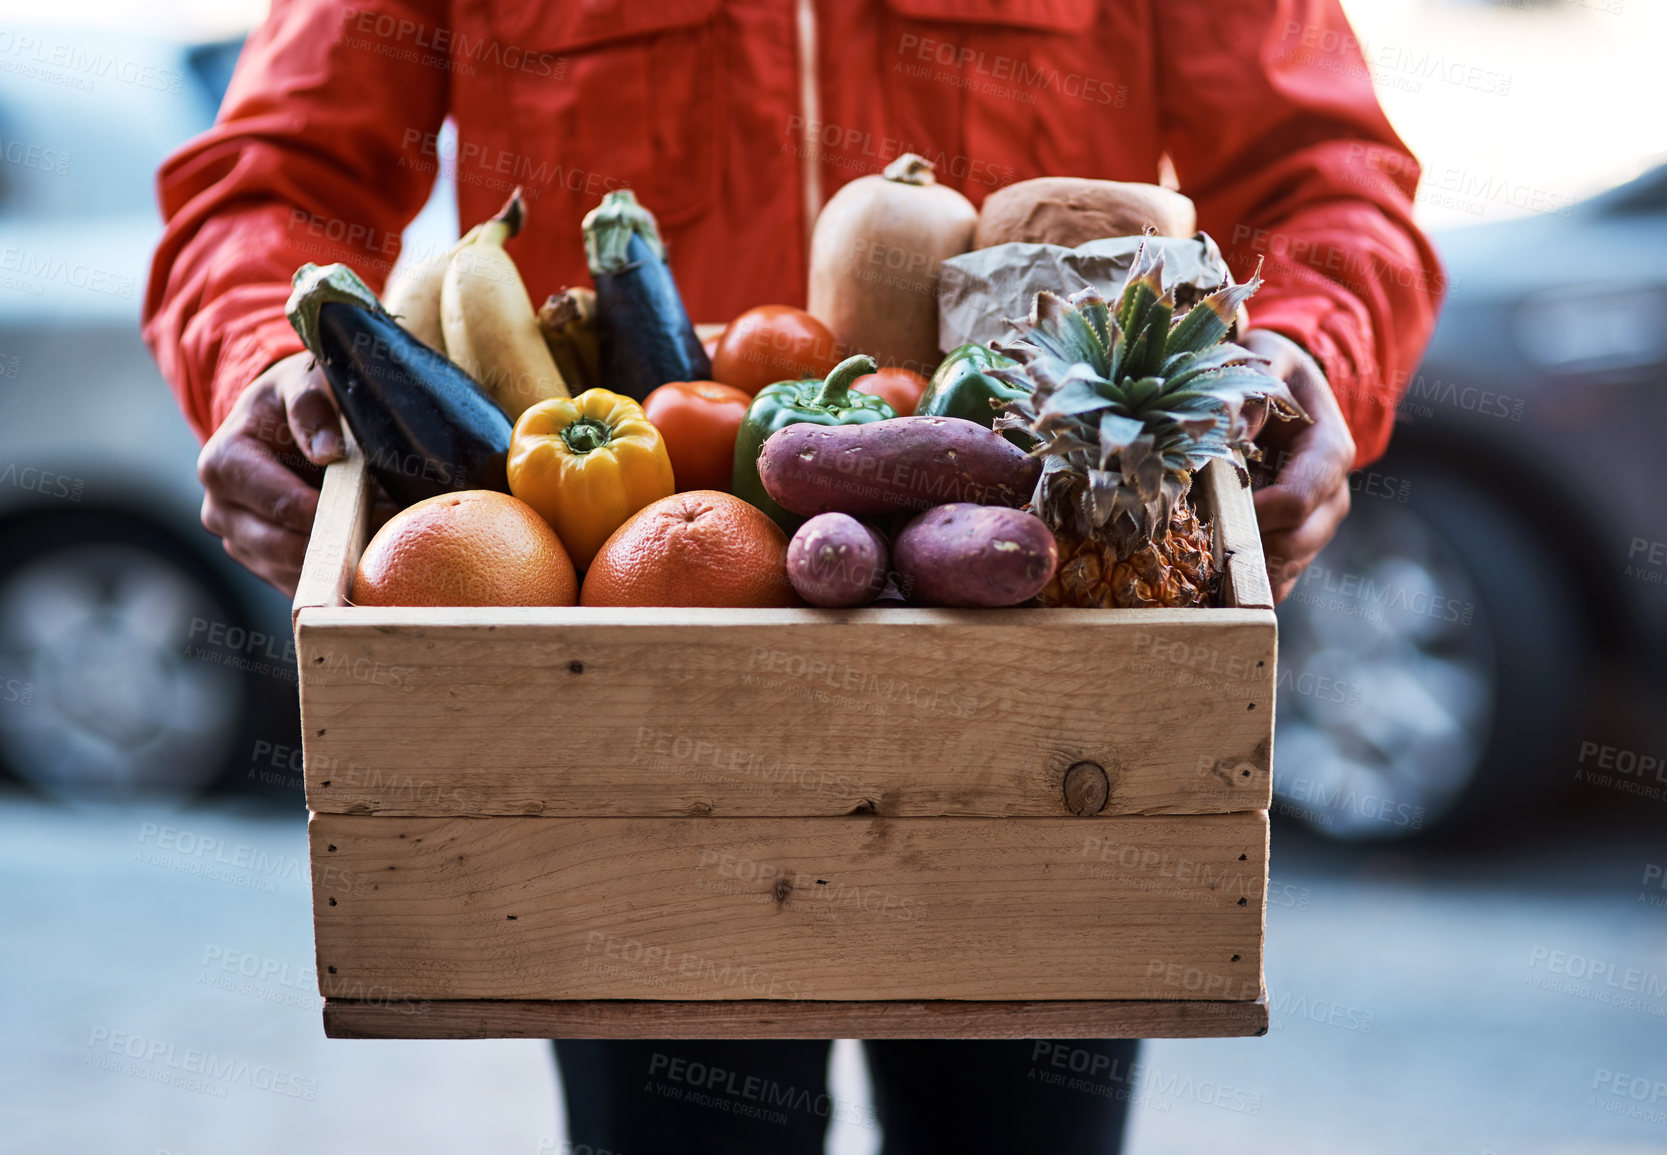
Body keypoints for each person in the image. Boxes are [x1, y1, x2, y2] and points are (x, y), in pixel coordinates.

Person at [144, 2, 1443, 1150]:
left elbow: (1326, 179)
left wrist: (1313, 344)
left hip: (1045, 690)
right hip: (619, 691)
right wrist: (267, 354)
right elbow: (268, 179)